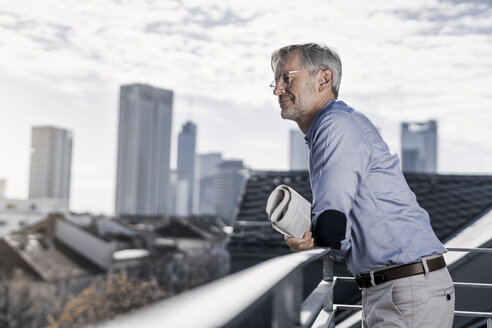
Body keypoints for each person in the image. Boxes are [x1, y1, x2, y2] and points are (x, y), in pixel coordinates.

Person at [270, 43, 455, 328]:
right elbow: (338, 233)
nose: (277, 90)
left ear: (324, 79)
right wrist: (316, 235)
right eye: (275, 81)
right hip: (395, 290)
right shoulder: (331, 127)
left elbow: (332, 226)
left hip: (406, 292)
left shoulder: (335, 126)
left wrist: (313, 236)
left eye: (287, 78)